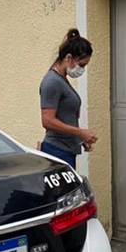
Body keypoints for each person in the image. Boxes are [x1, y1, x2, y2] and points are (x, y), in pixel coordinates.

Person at [40, 28, 97, 169]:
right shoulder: (52, 82)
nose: (82, 69)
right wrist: (80, 132)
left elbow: (65, 117)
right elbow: (47, 121)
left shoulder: (61, 80)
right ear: (69, 58)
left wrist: (79, 139)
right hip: (56, 151)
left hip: (66, 150)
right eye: (82, 65)